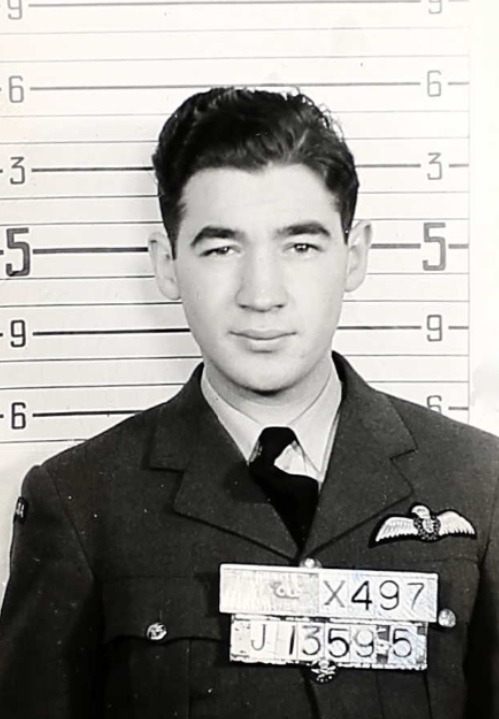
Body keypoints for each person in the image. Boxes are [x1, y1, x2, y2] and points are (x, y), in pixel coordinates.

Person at [0, 87, 497, 719]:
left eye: (301, 245)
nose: (262, 295)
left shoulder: (480, 481)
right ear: (167, 265)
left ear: (355, 256)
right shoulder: (79, 501)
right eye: (221, 248)